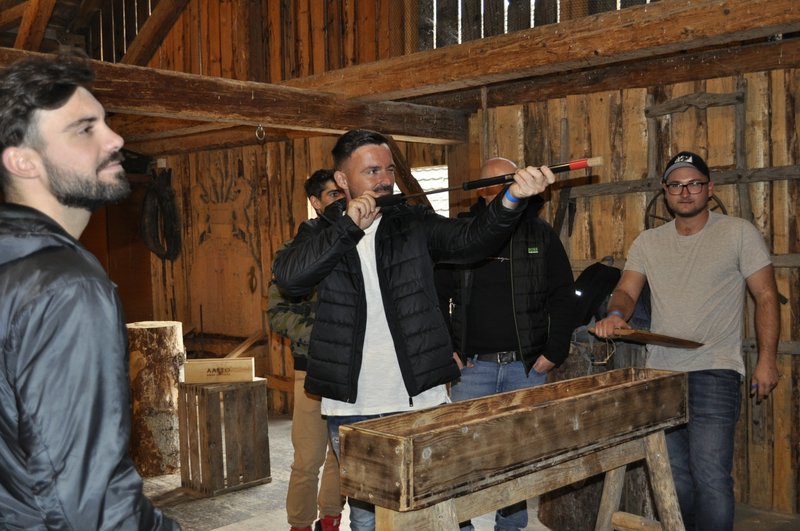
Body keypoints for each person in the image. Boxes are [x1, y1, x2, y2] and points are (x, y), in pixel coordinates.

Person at [271, 129, 556, 531]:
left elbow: (471, 241)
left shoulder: (411, 221)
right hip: (352, 405)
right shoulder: (320, 232)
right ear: (342, 180)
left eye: (389, 169)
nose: (384, 179)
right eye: (371, 171)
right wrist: (347, 227)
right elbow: (291, 279)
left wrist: (511, 199)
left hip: (418, 397)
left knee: (436, 511)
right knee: (368, 518)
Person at [0, 52, 179, 529]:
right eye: (85, 129)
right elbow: (88, 504)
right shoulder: (67, 287)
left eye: (105, 122)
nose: (115, 139)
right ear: (23, 161)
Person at [593, 151, 780, 531]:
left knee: (711, 477)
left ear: (709, 189)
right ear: (665, 192)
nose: (685, 192)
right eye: (676, 185)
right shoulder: (648, 242)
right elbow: (626, 291)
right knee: (673, 477)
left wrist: (767, 360)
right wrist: (616, 315)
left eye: (694, 183)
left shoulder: (738, 232)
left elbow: (766, 296)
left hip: (715, 370)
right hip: (661, 374)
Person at [435, 157, 577, 531]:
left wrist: (554, 351)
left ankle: (510, 527)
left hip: (525, 367)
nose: (500, 187)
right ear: (480, 190)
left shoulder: (540, 235)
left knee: (518, 455)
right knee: (463, 455)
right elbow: (435, 295)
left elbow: (564, 295)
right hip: (472, 368)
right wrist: (447, 350)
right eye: (492, 182)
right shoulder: (461, 234)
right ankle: (461, 525)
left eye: (507, 180)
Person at [268, 169, 344, 531]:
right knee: (308, 458)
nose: (341, 200)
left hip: (349, 369)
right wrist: (321, 336)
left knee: (342, 456)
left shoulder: (353, 245)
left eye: (343, 193)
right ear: (315, 202)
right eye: (332, 195)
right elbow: (277, 313)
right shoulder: (294, 253)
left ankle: (331, 519)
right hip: (311, 368)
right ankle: (299, 524)